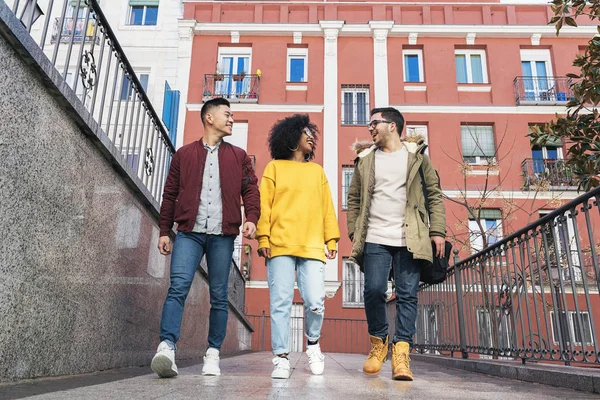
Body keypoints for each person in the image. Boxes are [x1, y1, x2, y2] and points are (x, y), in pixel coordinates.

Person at [151, 97, 260, 378]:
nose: (232, 119)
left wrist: (251, 218)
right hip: (189, 233)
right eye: (227, 114)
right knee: (178, 287)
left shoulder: (238, 156)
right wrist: (165, 230)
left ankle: (212, 354)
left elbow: (251, 190)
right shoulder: (184, 154)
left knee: (220, 296)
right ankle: (166, 348)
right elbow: (170, 194)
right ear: (209, 118)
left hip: (223, 236)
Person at [347, 107, 446, 381]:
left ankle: (401, 353)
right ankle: (378, 343)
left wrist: (437, 230)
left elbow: (434, 195)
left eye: (374, 123)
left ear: (392, 126)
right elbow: (353, 197)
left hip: (409, 237)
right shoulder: (366, 159)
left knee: (407, 295)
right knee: (374, 289)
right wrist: (354, 229)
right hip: (375, 236)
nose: (370, 128)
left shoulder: (417, 157)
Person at [256, 114, 340, 379]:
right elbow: (264, 205)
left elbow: (327, 206)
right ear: (292, 137)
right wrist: (263, 237)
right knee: (280, 301)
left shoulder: (317, 172)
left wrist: (331, 238)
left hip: (313, 244)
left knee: (315, 300)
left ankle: (313, 344)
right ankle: (281, 357)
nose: (312, 136)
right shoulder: (274, 168)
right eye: (307, 132)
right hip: (279, 244)